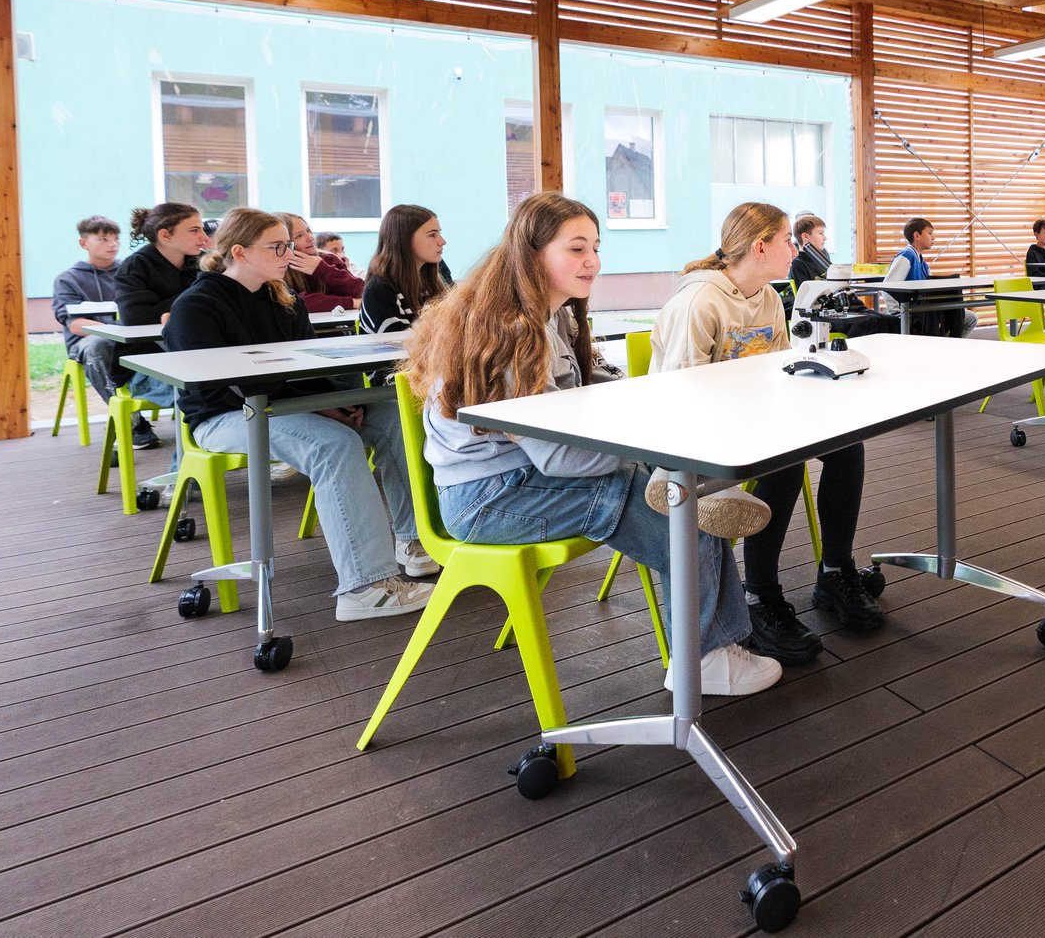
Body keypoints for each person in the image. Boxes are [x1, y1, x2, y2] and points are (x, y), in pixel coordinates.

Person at [409, 193, 780, 697]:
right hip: (491, 497)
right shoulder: (514, 331)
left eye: (596, 248)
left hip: (517, 477)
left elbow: (578, 395)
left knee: (677, 495)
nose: (593, 262)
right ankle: (706, 657)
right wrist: (650, 442)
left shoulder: (550, 313)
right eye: (577, 249)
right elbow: (559, 454)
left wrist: (644, 406)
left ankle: (697, 524)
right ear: (531, 253)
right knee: (679, 511)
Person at [163, 207, 439, 615]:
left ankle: (415, 539)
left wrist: (335, 400)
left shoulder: (284, 300)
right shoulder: (196, 305)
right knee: (334, 444)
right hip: (225, 417)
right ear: (239, 252)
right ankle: (365, 588)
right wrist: (326, 411)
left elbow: (306, 368)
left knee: (394, 419)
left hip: (289, 406)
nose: (286, 255)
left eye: (288, 246)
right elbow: (225, 384)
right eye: (276, 247)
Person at [651, 202, 883, 665]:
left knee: (845, 446)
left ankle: (835, 571)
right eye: (787, 241)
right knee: (785, 463)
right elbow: (677, 398)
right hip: (691, 442)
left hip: (752, 423)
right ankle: (760, 597)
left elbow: (778, 370)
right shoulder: (699, 302)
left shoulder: (770, 298)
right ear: (761, 247)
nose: (794, 249)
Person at [52, 215, 157, 449]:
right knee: (98, 346)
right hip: (88, 343)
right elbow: (76, 325)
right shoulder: (69, 279)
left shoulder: (130, 271)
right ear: (84, 243)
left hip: (131, 337)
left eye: (116, 239)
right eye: (103, 239)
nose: (112, 244)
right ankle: (131, 421)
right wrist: (116, 331)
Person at [115, 202, 211, 411]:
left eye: (202, 229)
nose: (204, 237)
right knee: (212, 391)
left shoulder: (200, 264)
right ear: (166, 235)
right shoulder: (136, 266)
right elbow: (135, 317)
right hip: (146, 366)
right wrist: (194, 297)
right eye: (194, 230)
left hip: (190, 357)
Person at [791, 214, 895, 335]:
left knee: (892, 321)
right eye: (820, 233)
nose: (824, 238)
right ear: (805, 237)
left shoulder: (822, 260)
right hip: (828, 314)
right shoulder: (798, 265)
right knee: (874, 322)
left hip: (848, 307)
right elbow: (807, 300)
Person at [359, 204, 452, 333]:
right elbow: (398, 344)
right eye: (432, 235)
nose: (442, 241)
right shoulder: (379, 289)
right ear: (405, 240)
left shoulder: (436, 278)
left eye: (439, 233)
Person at [883, 217, 975, 337]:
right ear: (917, 235)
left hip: (924, 310)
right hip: (910, 312)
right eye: (930, 233)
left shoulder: (923, 263)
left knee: (969, 318)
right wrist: (898, 312)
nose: (934, 238)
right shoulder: (906, 256)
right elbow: (887, 287)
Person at [279, 212, 364, 312]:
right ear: (285, 243)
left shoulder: (329, 260)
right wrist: (352, 302)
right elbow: (297, 302)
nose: (310, 238)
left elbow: (360, 290)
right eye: (299, 236)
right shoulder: (280, 268)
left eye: (308, 231)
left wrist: (322, 269)